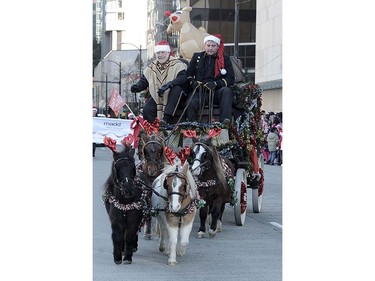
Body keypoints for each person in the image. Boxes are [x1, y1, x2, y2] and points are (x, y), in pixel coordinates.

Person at [130, 40, 188, 125]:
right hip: (159, 96)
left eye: (162, 52)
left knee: (177, 89)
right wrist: (136, 87)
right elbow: (144, 81)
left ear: (168, 53)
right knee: (147, 109)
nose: (160, 55)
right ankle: (154, 128)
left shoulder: (178, 65)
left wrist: (169, 85)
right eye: (158, 53)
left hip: (175, 96)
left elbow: (182, 78)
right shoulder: (151, 67)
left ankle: (166, 119)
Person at [185, 34, 235, 124]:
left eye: (213, 46)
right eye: (208, 46)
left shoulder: (224, 59)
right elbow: (188, 75)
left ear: (217, 47)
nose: (210, 48)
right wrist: (193, 82)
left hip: (217, 91)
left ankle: (225, 120)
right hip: (200, 91)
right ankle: (191, 125)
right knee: (191, 102)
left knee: (226, 91)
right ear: (205, 46)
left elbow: (230, 78)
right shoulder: (197, 57)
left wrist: (216, 84)